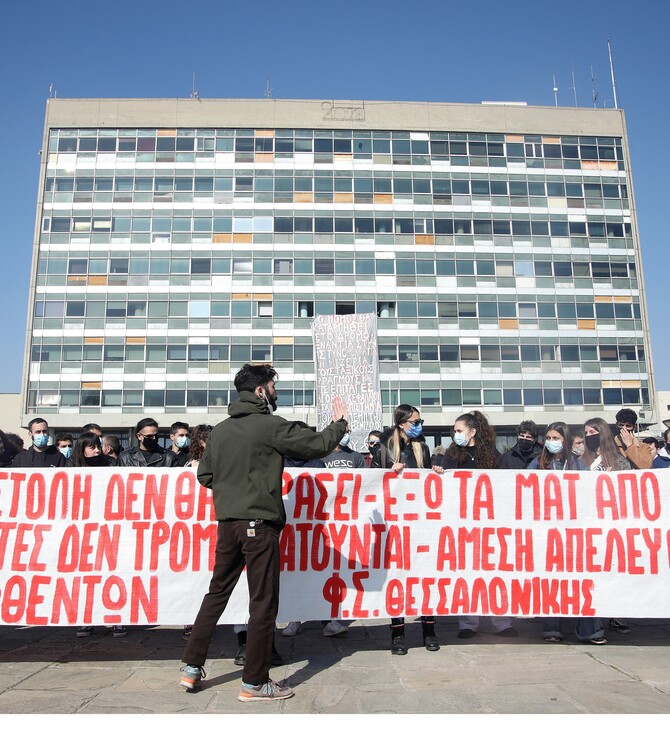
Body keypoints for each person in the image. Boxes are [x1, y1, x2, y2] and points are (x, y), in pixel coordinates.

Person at [180, 363, 348, 702]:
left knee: (216, 594)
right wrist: (340, 422)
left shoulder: (222, 431)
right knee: (263, 603)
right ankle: (255, 682)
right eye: (273, 386)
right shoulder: (270, 425)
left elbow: (205, 476)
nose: (275, 392)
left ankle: (190, 668)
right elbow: (316, 446)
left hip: (227, 525)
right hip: (259, 525)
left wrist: (234, 488)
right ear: (260, 391)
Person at [433, 411, 514, 639]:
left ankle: (502, 621)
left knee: (495, 572)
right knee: (466, 573)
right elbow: (445, 482)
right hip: (462, 523)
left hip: (489, 522)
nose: (455, 434)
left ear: (472, 432)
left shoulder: (492, 455)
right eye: (454, 431)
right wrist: (440, 472)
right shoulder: (452, 453)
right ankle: (468, 623)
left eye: (459, 430)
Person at [528, 422, 607, 644]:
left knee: (582, 580)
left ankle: (590, 629)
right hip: (547, 532)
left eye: (557, 438)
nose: (553, 442)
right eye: (549, 438)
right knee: (551, 581)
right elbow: (522, 487)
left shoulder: (577, 465)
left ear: (566, 440)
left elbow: (590, 493)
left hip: (574, 532)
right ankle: (552, 628)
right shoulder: (538, 463)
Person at [282, 421, 349, 640]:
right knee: (293, 574)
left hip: (315, 527)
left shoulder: (317, 463)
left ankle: (328, 619)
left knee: (318, 573)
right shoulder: (279, 462)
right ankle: (294, 617)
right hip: (289, 528)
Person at [383, 404, 439, 655]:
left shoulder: (422, 448)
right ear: (401, 423)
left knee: (425, 576)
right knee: (397, 577)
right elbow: (372, 484)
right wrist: (388, 473)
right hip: (395, 523)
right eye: (415, 421)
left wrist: (435, 472)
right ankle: (398, 634)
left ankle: (429, 632)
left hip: (420, 522)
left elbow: (428, 483)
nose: (419, 425)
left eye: (420, 421)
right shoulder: (385, 449)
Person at [582, 416, 634, 638]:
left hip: (612, 525)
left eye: (593, 432)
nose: (588, 436)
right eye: (586, 433)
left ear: (602, 433)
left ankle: (616, 613)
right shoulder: (581, 461)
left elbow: (630, 491)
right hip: (586, 524)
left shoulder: (620, 462)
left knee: (613, 572)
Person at [72, 432, 126, 639]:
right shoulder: (71, 468)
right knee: (86, 577)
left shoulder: (112, 466)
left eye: (98, 446)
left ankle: (116, 619)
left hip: (109, 530)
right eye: (92, 447)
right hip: (82, 532)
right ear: (82, 450)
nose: (97, 450)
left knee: (112, 575)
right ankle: (87, 619)